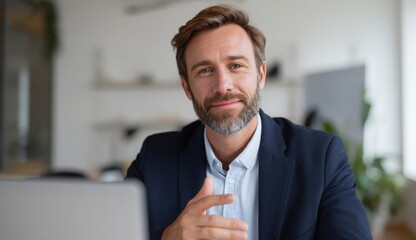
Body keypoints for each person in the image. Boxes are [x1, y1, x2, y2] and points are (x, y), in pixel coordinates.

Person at [125, 4, 372, 240]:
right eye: (205, 71)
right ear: (186, 87)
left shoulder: (322, 158)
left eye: (236, 65)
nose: (223, 86)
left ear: (260, 75)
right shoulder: (153, 158)